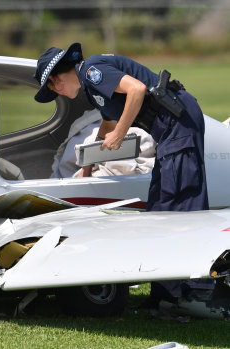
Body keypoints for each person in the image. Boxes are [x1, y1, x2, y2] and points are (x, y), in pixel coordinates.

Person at [33, 43, 213, 311]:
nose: (58, 93)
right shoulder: (93, 90)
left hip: (179, 122)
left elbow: (136, 90)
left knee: (180, 201)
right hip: (168, 130)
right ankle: (165, 296)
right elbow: (107, 126)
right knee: (160, 206)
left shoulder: (92, 70)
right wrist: (87, 166)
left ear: (55, 80)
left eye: (52, 89)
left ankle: (194, 295)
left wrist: (121, 133)